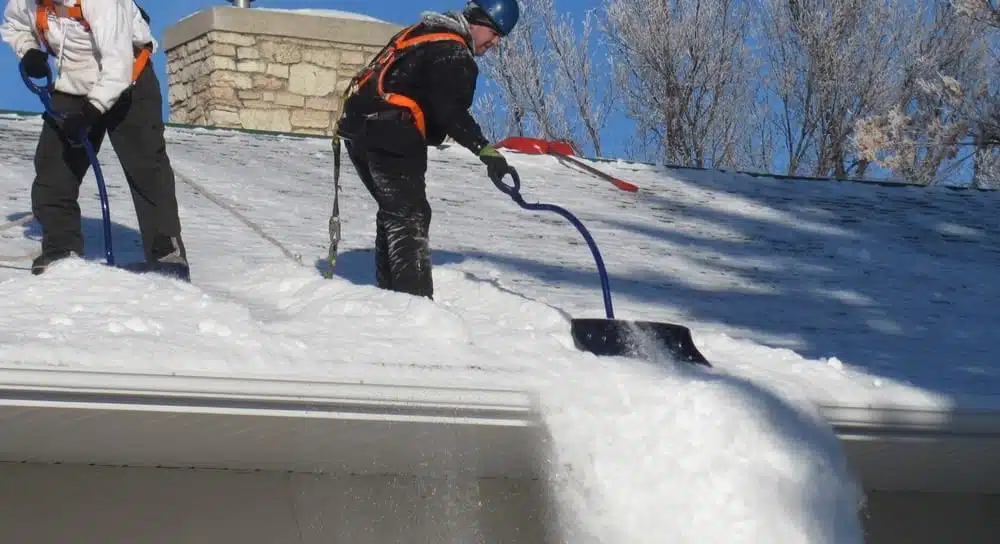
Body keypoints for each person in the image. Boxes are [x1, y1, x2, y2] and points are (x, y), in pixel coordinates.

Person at [334, 0, 519, 299]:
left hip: (359, 132)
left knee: (397, 212)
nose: (496, 43)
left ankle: (390, 297)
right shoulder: (454, 53)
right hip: (391, 132)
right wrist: (487, 152)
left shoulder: (423, 35)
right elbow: (451, 114)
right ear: (477, 21)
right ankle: (414, 303)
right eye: (495, 32)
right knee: (410, 217)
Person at [1, 0, 189, 279]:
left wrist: (91, 111)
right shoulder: (26, 1)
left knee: (147, 167)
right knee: (53, 168)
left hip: (130, 81)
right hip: (74, 84)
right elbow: (14, 25)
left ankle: (166, 254)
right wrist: (28, 50)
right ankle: (61, 251)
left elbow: (118, 66)